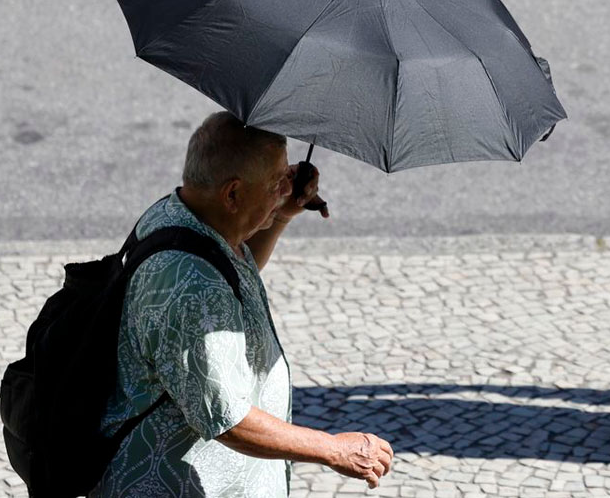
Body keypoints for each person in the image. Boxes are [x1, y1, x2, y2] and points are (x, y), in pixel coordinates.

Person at [91, 111, 393, 496]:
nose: (287, 187)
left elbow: (235, 277)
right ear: (233, 194)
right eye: (277, 182)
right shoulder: (190, 286)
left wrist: (278, 214)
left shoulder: (184, 216)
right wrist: (333, 449)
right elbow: (226, 417)